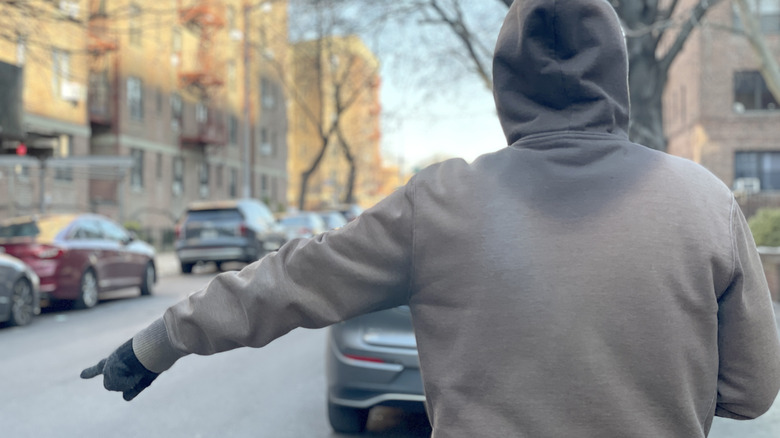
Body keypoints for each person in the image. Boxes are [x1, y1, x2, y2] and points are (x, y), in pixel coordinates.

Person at [81, 0, 780, 436]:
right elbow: (751, 393)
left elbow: (292, 280)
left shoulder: (442, 200)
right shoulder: (705, 201)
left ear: (508, 87)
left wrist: (160, 340)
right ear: (617, 79)